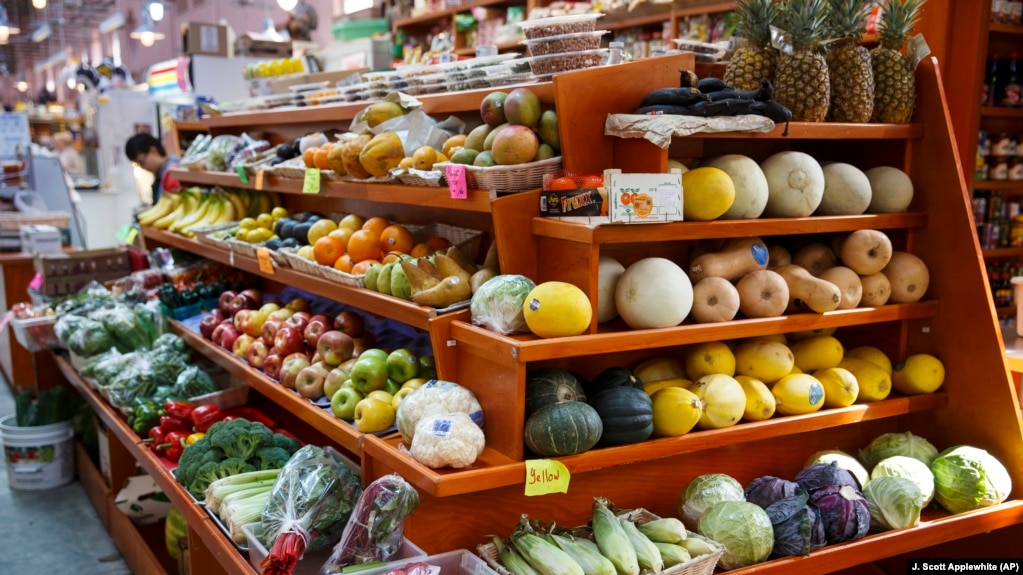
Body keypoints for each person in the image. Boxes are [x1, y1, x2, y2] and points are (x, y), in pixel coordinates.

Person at [125, 133, 180, 204]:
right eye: (139, 165)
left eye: (142, 162)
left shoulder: (172, 174)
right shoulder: (159, 175)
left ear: (153, 150)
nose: (142, 167)